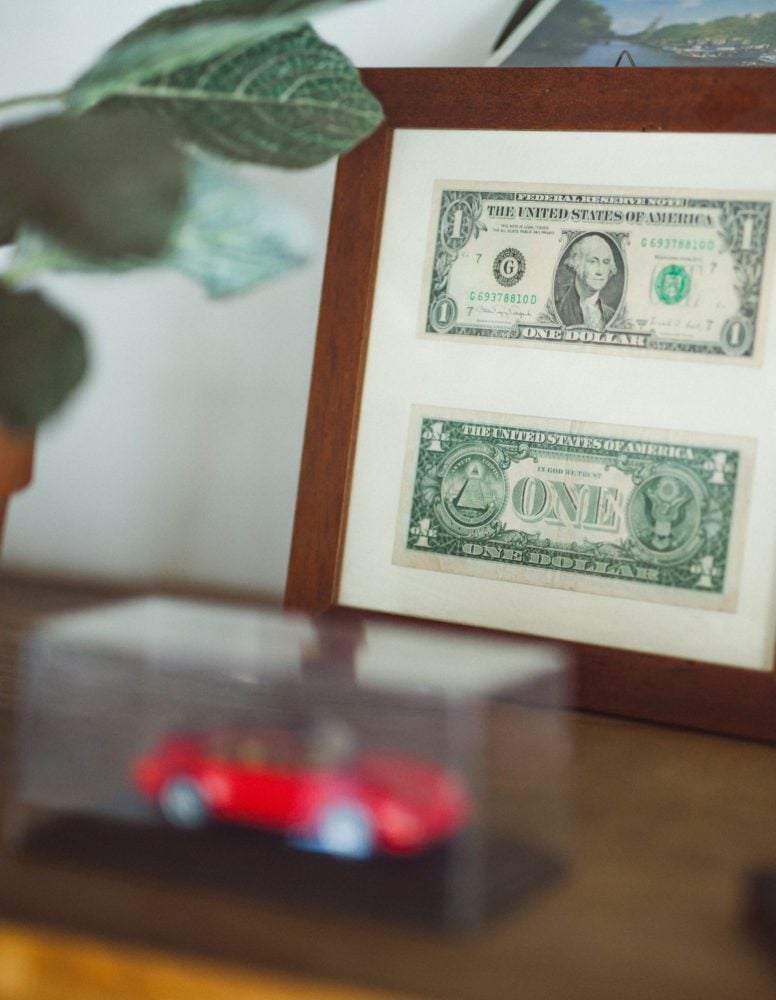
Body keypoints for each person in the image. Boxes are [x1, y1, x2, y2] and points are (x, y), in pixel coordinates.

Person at [555, 233, 618, 330]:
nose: (600, 271)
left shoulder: (612, 315)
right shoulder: (557, 309)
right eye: (593, 261)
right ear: (577, 263)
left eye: (605, 262)